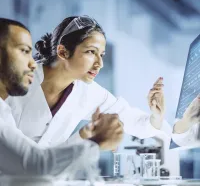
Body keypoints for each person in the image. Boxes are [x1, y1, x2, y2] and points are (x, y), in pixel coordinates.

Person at [6, 16, 171, 149]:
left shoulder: (88, 92)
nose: (99, 63)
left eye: (102, 54)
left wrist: (156, 115)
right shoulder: (16, 82)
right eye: (91, 52)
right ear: (63, 52)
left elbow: (137, 123)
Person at [0, 18, 123, 176]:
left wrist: (85, 136)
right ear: (62, 52)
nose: (32, 63)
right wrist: (96, 142)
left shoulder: (3, 111)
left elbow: (36, 158)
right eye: (24, 51)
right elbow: (35, 165)